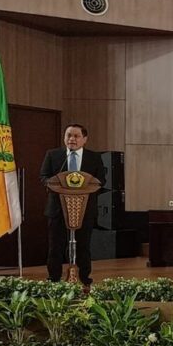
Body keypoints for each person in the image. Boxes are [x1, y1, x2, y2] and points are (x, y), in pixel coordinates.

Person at [39, 123, 106, 287]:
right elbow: (44, 177)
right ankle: (54, 280)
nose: (72, 139)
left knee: (83, 246)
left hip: (84, 209)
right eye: (69, 135)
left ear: (85, 139)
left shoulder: (94, 157)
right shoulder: (53, 155)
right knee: (55, 247)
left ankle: (84, 279)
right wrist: (54, 184)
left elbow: (101, 181)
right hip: (58, 210)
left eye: (76, 136)